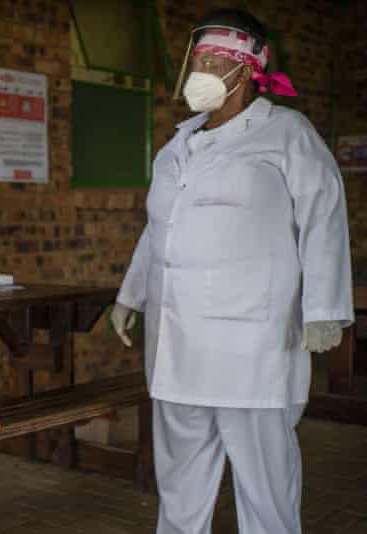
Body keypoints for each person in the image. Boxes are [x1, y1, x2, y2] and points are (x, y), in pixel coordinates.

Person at [110, 8, 353, 534]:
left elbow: (324, 220)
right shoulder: (176, 146)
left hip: (254, 347)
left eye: (216, 59)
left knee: (264, 480)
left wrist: (325, 309)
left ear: (246, 71)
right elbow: (159, 229)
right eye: (197, 58)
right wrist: (130, 297)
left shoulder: (286, 133)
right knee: (179, 480)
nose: (201, 68)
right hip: (177, 345)